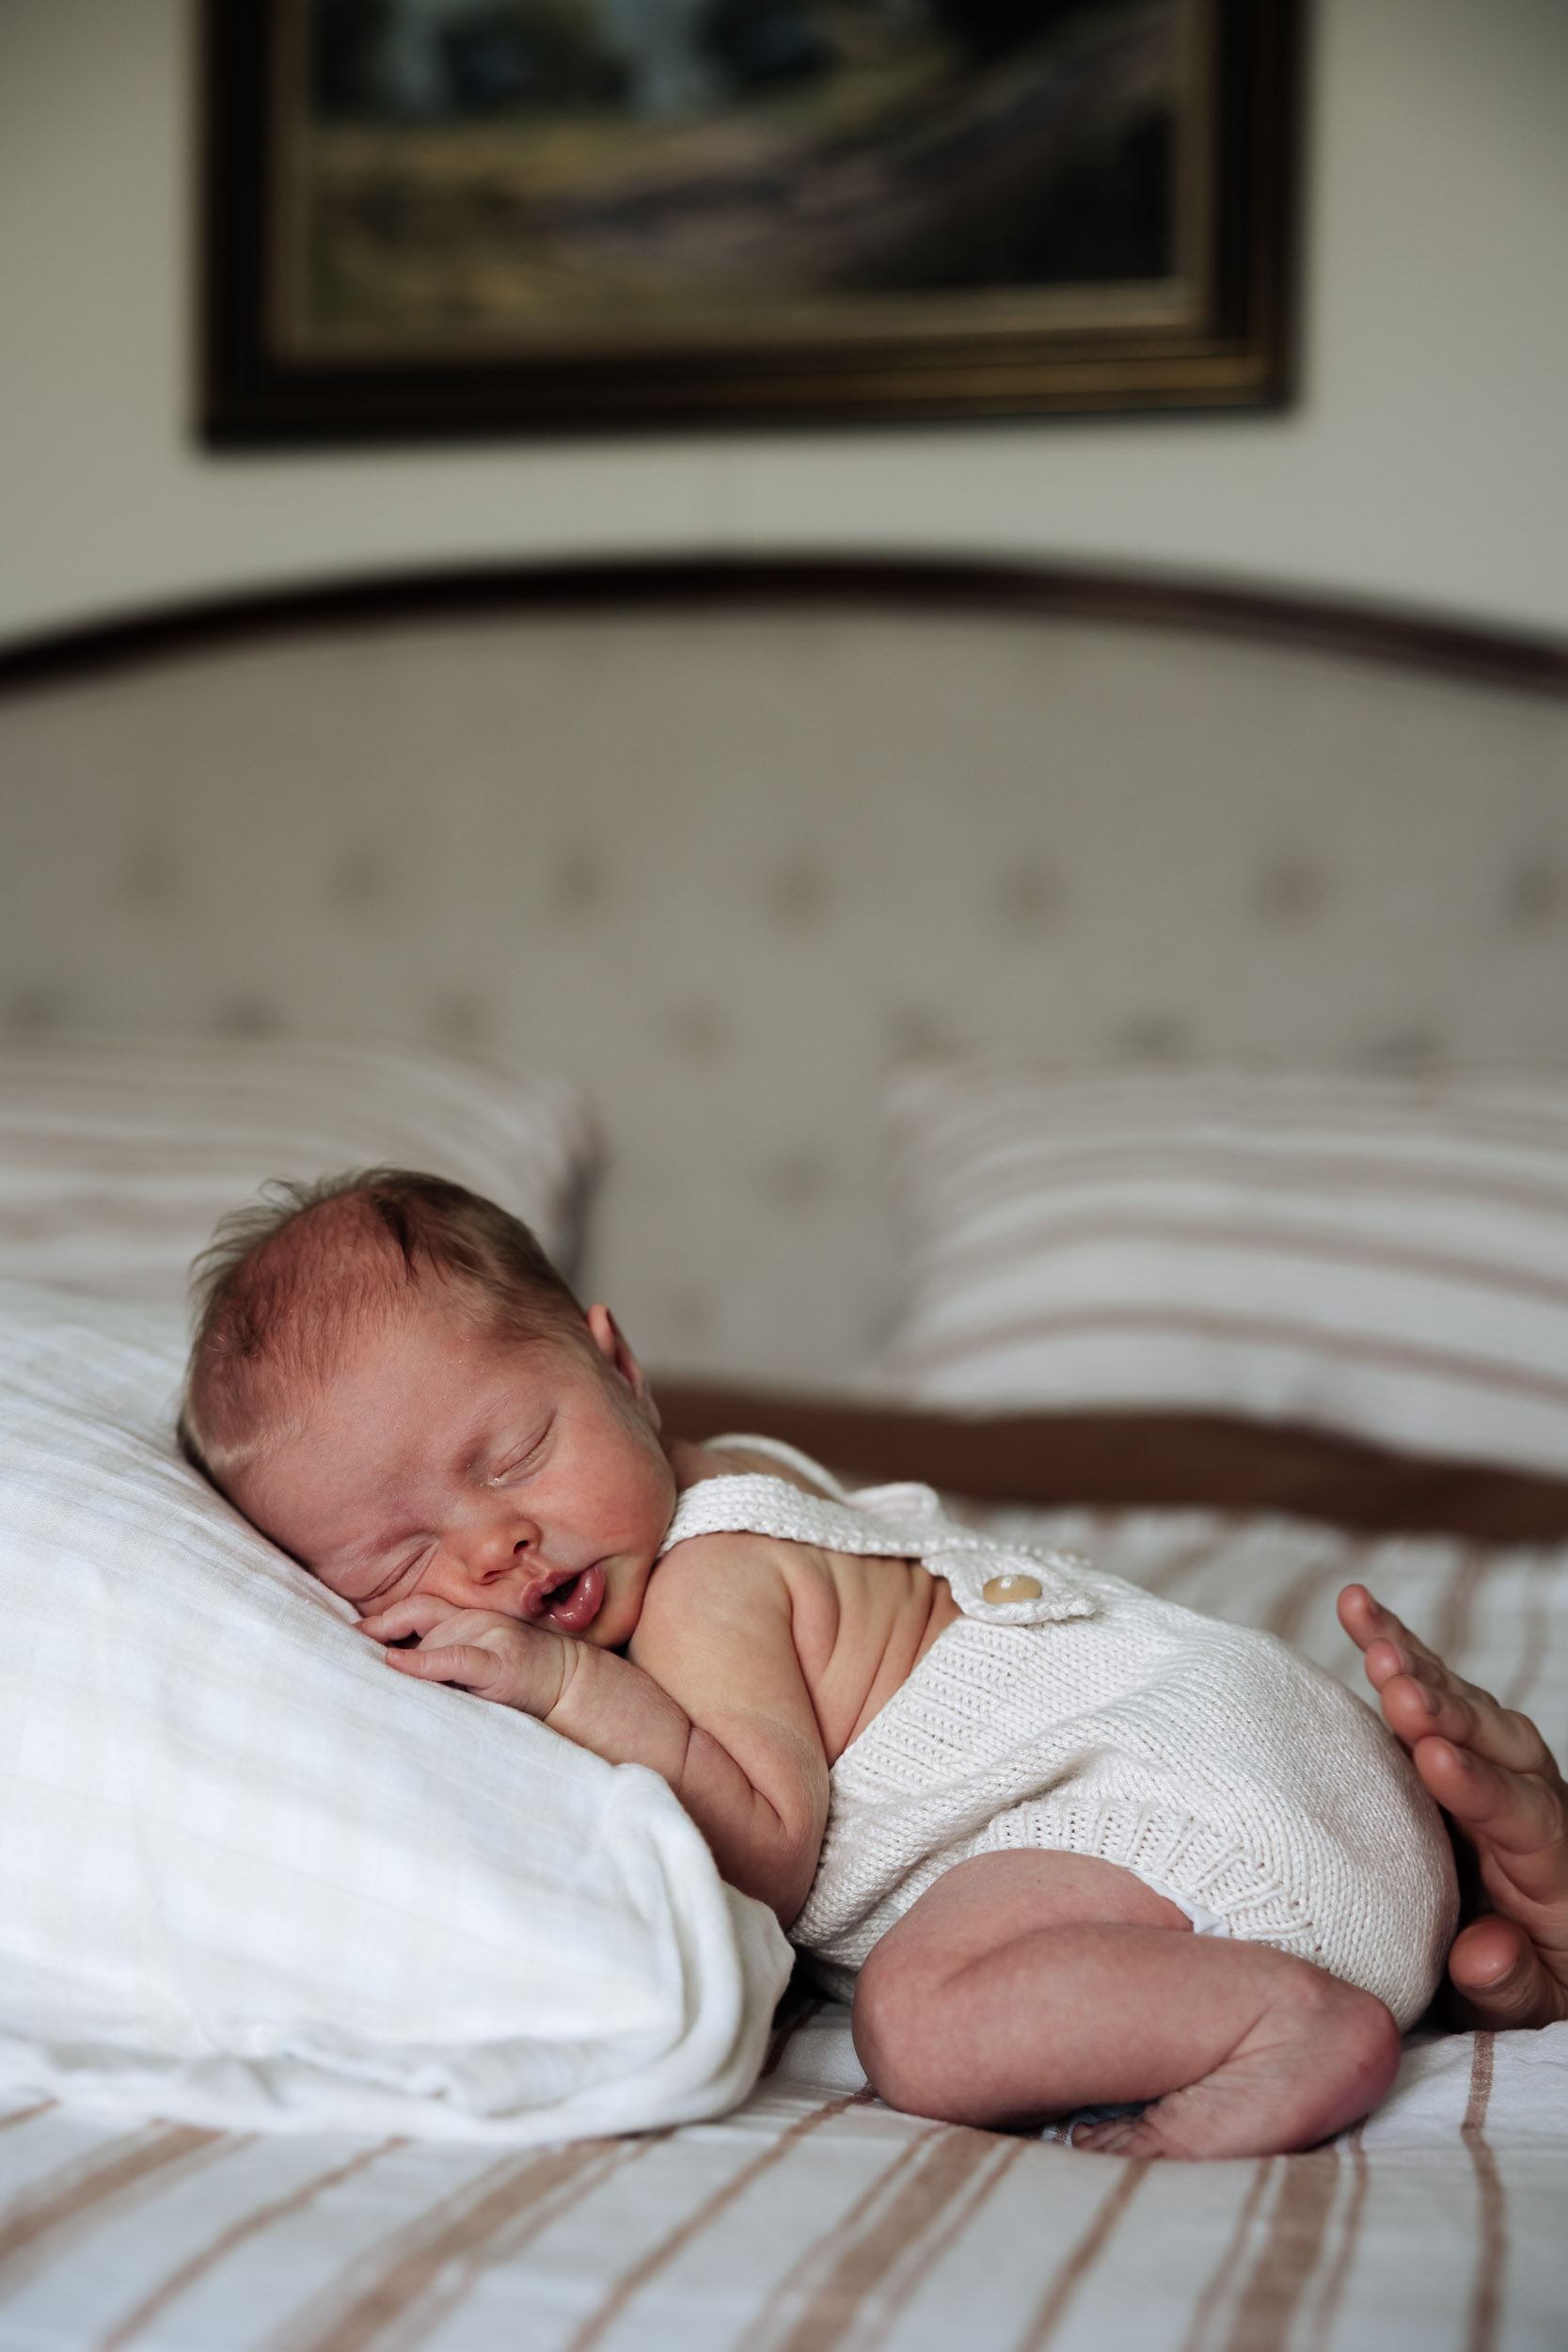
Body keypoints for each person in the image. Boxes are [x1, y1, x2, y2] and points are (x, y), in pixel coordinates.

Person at [179, 1171, 1563, 2159]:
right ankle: (1479, 1958)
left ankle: (1291, 2019)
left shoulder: (705, 1590)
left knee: (918, 2012)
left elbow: (770, 1853)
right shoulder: (750, 1479)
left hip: (1178, 1813)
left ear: (623, 1370)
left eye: (516, 1456)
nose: (495, 1547)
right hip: (1309, 1768)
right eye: (395, 1562)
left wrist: (564, 1689)